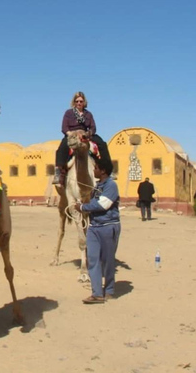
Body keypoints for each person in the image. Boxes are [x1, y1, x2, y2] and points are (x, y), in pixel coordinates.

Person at [74, 157, 121, 304]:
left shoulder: (111, 186)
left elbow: (103, 205)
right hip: (94, 227)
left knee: (108, 260)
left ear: (103, 171)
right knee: (93, 259)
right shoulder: (96, 187)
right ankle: (97, 293)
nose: (93, 170)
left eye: (96, 168)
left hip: (108, 226)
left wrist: (83, 207)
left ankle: (109, 290)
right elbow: (93, 203)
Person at [52, 91, 111, 185]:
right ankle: (58, 172)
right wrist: (71, 134)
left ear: (84, 102)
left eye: (81, 101)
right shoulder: (68, 113)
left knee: (102, 144)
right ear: (74, 102)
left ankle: (107, 170)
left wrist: (87, 134)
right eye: (77, 101)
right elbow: (64, 128)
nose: (79, 103)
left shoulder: (88, 114)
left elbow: (93, 128)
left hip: (85, 134)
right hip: (72, 134)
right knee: (62, 147)